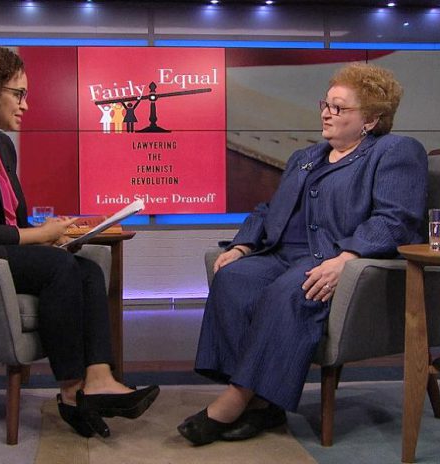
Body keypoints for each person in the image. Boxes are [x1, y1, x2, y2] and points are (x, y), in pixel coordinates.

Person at [0, 44, 159, 438]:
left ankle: (100, 377)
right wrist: (41, 237)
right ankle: (71, 391)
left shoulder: (1, 146)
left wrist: (52, 231)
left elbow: (10, 221)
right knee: (57, 267)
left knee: (86, 267)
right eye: (18, 94)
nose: (25, 104)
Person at [178, 62, 427, 446]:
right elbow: (268, 209)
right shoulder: (306, 157)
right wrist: (243, 244)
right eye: (325, 104)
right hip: (284, 253)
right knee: (234, 278)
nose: (327, 113)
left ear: (372, 119)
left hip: (330, 257)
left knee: (293, 289)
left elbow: (396, 220)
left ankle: (236, 399)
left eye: (340, 107)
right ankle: (262, 403)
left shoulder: (395, 151)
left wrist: (347, 258)